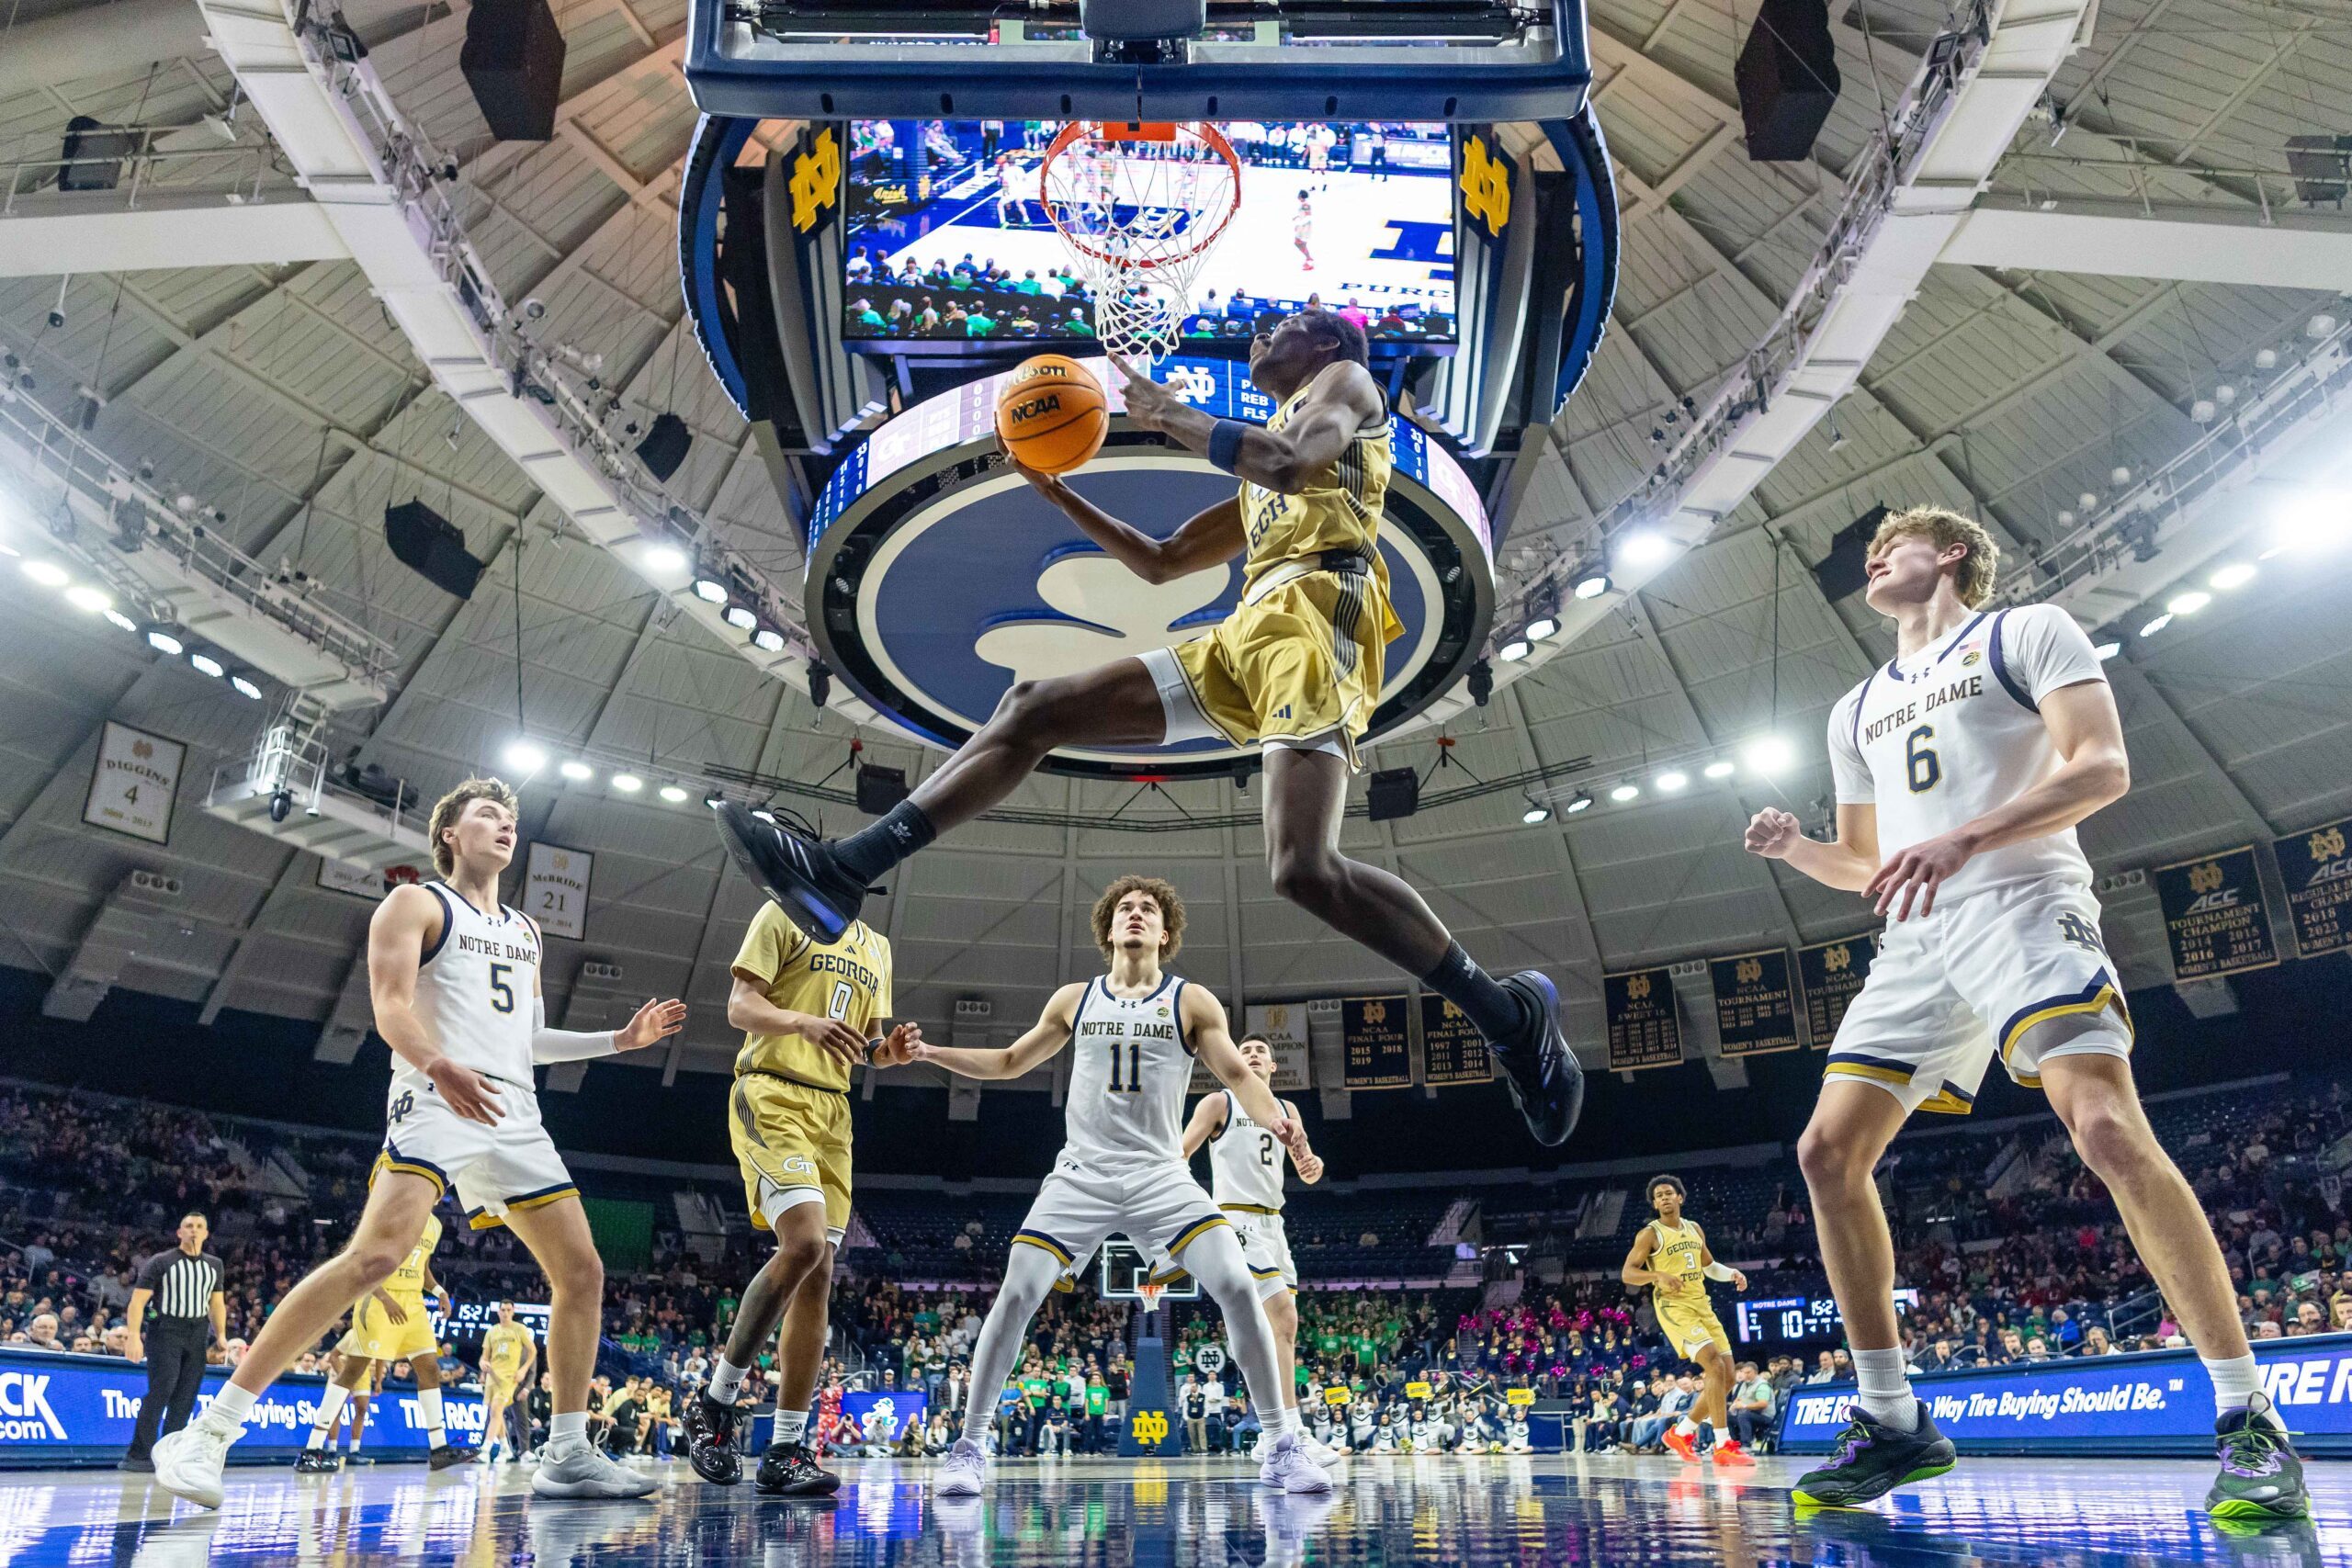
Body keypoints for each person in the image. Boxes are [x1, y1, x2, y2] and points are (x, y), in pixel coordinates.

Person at [712, 308, 1579, 1152]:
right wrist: (1055, 488)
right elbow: (1162, 560)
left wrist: (1171, 415)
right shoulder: (1268, 461)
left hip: (1320, 613)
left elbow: (1287, 463)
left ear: (1324, 342)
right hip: (1249, 630)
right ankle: (845, 869)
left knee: (1302, 868)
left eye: (1282, 326)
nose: (1260, 335)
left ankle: (1508, 1017)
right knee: (1034, 705)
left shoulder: (1346, 384)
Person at [1745, 504, 2309, 1521]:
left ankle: (2248, 1416)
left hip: (2024, 903)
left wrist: (1965, 837)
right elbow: (1870, 864)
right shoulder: (1855, 707)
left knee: (2104, 1129)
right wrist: (1799, 850)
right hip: (1916, 937)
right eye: (1872, 551)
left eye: (1895, 543)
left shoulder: (2024, 631)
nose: (1874, 557)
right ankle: (1894, 1422)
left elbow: (2101, 766)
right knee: (1825, 1153)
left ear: (1953, 553)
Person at [149, 777, 686, 1509]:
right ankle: (209, 1432)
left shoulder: (527, 930)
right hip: (436, 1095)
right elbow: (390, 1006)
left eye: (510, 817)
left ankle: (566, 1454)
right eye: (487, 814)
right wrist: (438, 1063)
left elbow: (528, 1040)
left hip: (513, 1109)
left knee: (583, 1270)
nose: (505, 825)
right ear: (450, 834)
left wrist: (618, 1039)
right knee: (374, 1256)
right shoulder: (416, 903)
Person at [888, 876, 1329, 1495]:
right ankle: (969, 1448)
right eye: (1126, 908)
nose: (1136, 914)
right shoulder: (1076, 998)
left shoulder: (1192, 1000)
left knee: (1236, 1284)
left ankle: (1282, 1445)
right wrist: (929, 1052)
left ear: (1166, 932)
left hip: (1161, 1174)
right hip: (1082, 1174)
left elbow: (1235, 1074)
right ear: (1109, 928)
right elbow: (1010, 1061)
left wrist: (1278, 1120)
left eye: (1148, 909)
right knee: (1017, 1293)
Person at [682, 837, 917, 1500]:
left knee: (819, 1278)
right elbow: (739, 1006)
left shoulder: (876, 947)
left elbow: (865, 1045)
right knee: (806, 1243)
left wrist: (889, 1052)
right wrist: (801, 1023)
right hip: (772, 1090)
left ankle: (786, 1447)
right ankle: (715, 1401)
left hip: (833, 1111)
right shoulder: (781, 913)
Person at [1176, 1041, 1333, 1461]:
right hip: (1234, 1218)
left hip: (1273, 1224)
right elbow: (1181, 1153)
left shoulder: (1287, 1109)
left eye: (1261, 1050)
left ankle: (1277, 1432)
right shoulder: (1219, 1102)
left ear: (1274, 1065)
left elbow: (1306, 1167)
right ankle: (1288, 1430)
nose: (1252, 1054)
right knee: (1283, 1314)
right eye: (1244, 1049)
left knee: (1283, 1329)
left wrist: (1313, 1164)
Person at [298, 1210, 463, 1472]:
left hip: (414, 1303)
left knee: (430, 1368)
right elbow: (362, 1263)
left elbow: (422, 1267)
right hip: (378, 1298)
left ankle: (439, 1448)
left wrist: (439, 1291)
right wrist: (385, 1299)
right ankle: (313, 1447)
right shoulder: (392, 1212)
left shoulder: (434, 1225)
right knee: (353, 1371)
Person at [1619, 1176, 1751, 1467]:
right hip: (1674, 1307)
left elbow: (1709, 1266)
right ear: (1655, 1204)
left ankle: (1681, 1433)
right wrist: (1657, 1275)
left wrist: (1732, 1273)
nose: (1664, 1198)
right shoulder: (1650, 1234)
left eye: (1669, 1193)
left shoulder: (1694, 1228)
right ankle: (1723, 1445)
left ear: (1680, 1197)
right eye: (1659, 1196)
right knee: (1713, 1363)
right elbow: (1628, 1273)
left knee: (1728, 1378)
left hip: (1701, 1304)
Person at [120, 1212, 226, 1472]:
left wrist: (221, 1335)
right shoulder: (161, 1261)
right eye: (188, 1226)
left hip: (197, 1332)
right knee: (161, 1390)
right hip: (165, 1330)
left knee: (186, 1396)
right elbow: (138, 1302)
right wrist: (133, 1336)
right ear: (179, 1232)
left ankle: (170, 1454)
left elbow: (216, 1303)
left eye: (199, 1226)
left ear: (206, 1234)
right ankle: (139, 1454)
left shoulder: (214, 1265)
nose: (194, 1230)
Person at [478, 1301, 537, 1463]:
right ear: (498, 1312)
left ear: (513, 1311)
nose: (505, 1313)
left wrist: (523, 1369)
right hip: (492, 1377)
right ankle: (505, 1448)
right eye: (503, 1310)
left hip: (509, 1378)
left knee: (497, 1409)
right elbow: (485, 1356)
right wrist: (483, 1363)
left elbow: (533, 1351)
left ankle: (485, 1450)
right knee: (495, 1413)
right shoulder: (491, 1331)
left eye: (508, 1310)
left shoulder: (519, 1329)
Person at [1292, 191, 1315, 270]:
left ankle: (1309, 261)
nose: (1298, 196)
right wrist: (1297, 217)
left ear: (1301, 196)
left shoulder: (1305, 205)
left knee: (1299, 243)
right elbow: (1303, 214)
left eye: (1299, 195)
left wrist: (1298, 225)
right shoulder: (1303, 204)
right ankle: (1309, 259)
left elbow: (1308, 217)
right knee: (1299, 243)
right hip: (1303, 226)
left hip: (1305, 227)